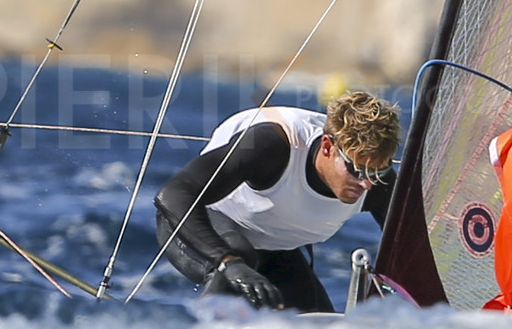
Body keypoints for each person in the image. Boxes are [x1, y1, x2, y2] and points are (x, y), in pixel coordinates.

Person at [154, 90, 401, 311]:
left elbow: (412, 252)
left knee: (317, 325)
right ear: (327, 147)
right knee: (239, 256)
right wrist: (226, 261)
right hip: (197, 226)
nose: (367, 184)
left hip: (274, 250)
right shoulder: (273, 145)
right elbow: (174, 195)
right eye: (357, 170)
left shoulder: (379, 184)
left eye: (378, 172)